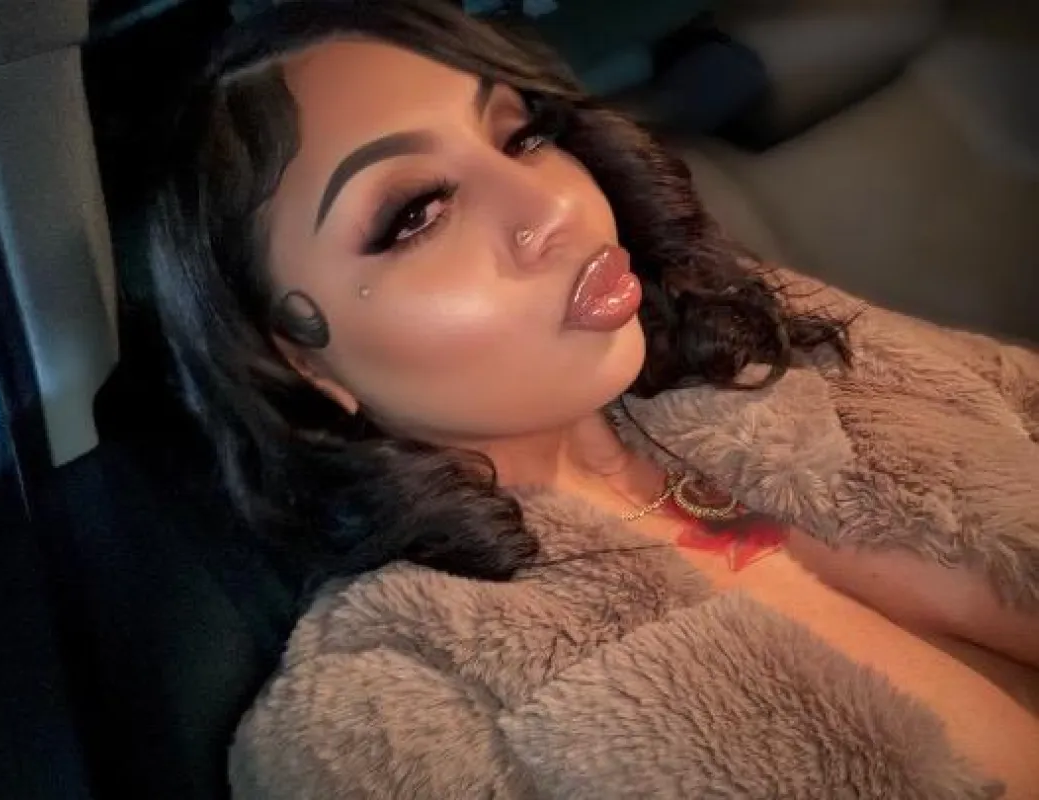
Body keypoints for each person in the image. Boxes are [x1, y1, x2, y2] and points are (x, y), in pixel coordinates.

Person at [149, 1, 1039, 796]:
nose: (553, 206)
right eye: (417, 211)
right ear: (300, 360)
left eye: (521, 137)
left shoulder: (765, 344)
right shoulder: (377, 722)